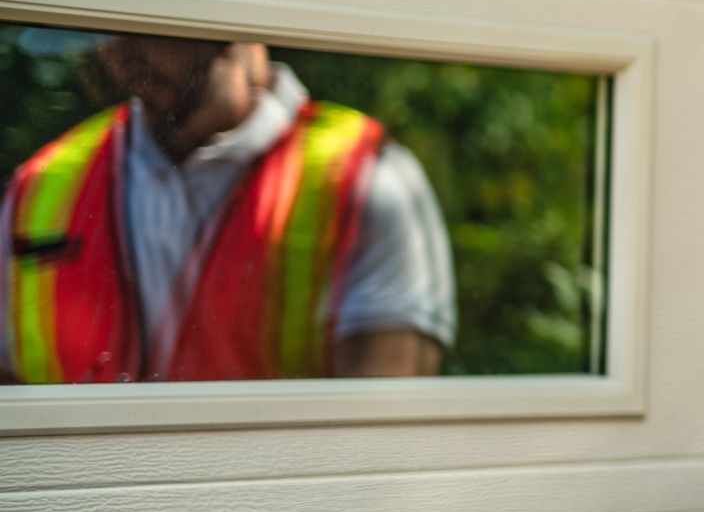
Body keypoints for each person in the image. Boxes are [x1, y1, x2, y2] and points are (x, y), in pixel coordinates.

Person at [1, 32, 455, 381]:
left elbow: (379, 439)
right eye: (104, 22)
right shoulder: (41, 188)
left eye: (147, 16)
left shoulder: (365, 179)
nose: (115, 45)